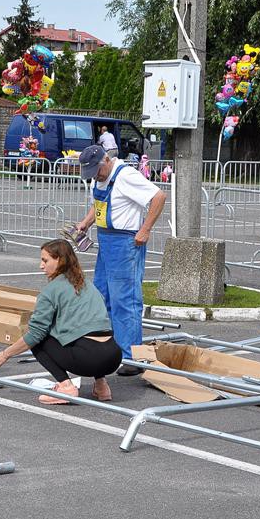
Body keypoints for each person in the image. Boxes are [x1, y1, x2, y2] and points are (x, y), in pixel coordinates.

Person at [73, 144, 167, 375]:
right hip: (106, 241)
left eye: (97, 170)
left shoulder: (126, 176)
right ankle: (112, 349)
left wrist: (145, 230)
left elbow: (158, 197)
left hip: (126, 243)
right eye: (91, 173)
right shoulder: (99, 176)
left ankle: (132, 357)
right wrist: (86, 223)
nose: (95, 176)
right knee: (102, 297)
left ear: (106, 160)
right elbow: (99, 204)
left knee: (125, 300)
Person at [0, 240, 122, 404]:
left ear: (59, 260)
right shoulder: (88, 285)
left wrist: (5, 354)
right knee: (87, 335)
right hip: (114, 357)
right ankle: (101, 386)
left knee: (38, 341)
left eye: (45, 260)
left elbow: (35, 334)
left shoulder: (50, 291)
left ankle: (66, 387)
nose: (41, 266)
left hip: (89, 359)